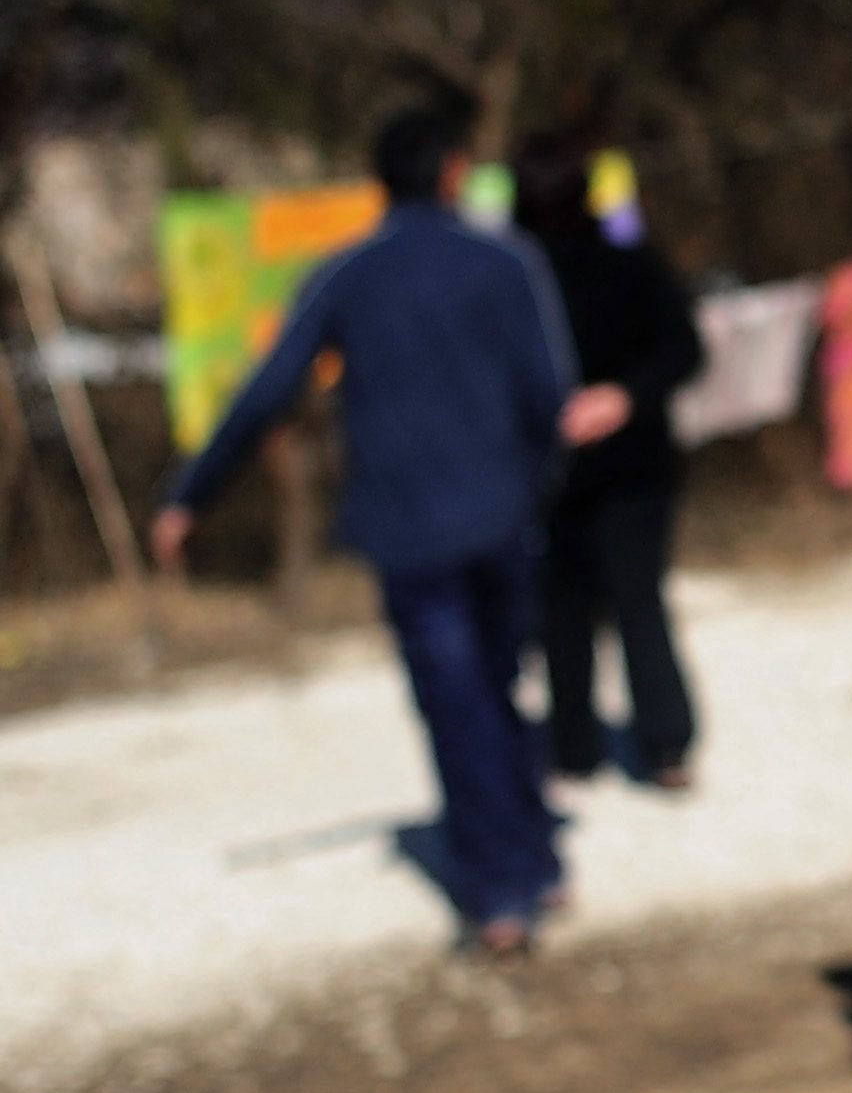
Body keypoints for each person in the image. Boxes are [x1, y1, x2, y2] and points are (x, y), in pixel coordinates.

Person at [152, 100, 587, 956]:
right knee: (496, 688)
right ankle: (530, 859)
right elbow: (549, 396)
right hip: (501, 516)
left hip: (409, 529)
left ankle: (503, 888)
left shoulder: (344, 275)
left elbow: (267, 388)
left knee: (456, 702)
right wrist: (535, 487)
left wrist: (190, 493)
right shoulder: (504, 263)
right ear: (456, 171)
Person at [512, 144, 712, 791]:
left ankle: (657, 742)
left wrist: (622, 398)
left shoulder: (627, 265)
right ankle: (586, 746)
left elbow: (684, 349)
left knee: (629, 603)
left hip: (629, 470)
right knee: (567, 612)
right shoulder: (514, 279)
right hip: (558, 474)